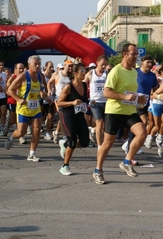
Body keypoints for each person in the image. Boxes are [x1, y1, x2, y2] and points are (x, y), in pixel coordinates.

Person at [93, 43, 147, 184]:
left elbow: (130, 92)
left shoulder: (134, 72)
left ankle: (126, 161)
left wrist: (138, 97)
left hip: (129, 110)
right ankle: (98, 170)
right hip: (114, 111)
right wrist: (124, 97)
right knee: (107, 143)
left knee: (142, 133)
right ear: (125, 54)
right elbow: (106, 92)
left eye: (137, 54)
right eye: (133, 54)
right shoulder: (115, 71)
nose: (136, 57)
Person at [4, 55, 52, 162]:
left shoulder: (41, 76)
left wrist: (46, 97)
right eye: (35, 64)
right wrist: (18, 99)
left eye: (39, 64)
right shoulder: (23, 76)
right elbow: (10, 90)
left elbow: (42, 89)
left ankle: (32, 154)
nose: (38, 66)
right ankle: (12, 137)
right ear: (29, 65)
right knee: (21, 132)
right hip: (23, 108)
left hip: (35, 108)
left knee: (36, 130)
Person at [57, 62, 89, 175]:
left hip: (79, 115)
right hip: (67, 115)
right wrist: (72, 102)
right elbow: (59, 103)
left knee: (85, 142)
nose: (84, 73)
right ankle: (65, 166)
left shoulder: (84, 85)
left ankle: (65, 144)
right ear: (75, 73)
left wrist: (89, 102)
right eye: (82, 71)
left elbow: (83, 101)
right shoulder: (68, 86)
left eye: (85, 71)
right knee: (73, 142)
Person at [84, 55, 109, 150]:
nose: (103, 67)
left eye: (105, 65)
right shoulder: (91, 73)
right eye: (102, 65)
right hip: (95, 102)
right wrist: (86, 98)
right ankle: (99, 146)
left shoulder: (107, 74)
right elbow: (83, 84)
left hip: (106, 101)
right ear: (97, 63)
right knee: (99, 122)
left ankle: (93, 130)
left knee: (105, 125)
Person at [47, 59, 73, 144]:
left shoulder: (71, 76)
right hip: (58, 98)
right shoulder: (57, 74)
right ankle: (65, 136)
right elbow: (49, 83)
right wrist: (49, 90)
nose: (70, 68)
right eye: (69, 66)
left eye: (72, 66)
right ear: (64, 66)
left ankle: (57, 132)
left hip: (68, 99)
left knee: (63, 117)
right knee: (61, 116)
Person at [42, 61, 55, 140]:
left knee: (50, 117)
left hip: (50, 100)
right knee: (41, 118)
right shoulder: (41, 76)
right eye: (50, 67)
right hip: (41, 99)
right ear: (46, 67)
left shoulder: (53, 76)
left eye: (52, 67)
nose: (51, 68)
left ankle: (47, 132)